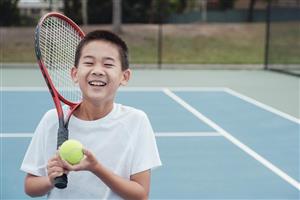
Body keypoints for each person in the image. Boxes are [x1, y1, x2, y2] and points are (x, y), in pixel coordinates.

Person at [21, 30, 162, 199]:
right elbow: (30, 187)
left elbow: (141, 195)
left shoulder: (136, 121)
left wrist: (96, 168)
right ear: (74, 74)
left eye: (108, 65)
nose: (97, 70)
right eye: (88, 63)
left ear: (124, 77)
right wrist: (50, 180)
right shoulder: (52, 120)